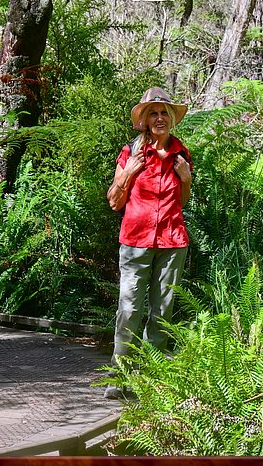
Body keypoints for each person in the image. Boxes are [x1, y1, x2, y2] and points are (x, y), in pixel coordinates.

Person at [104, 87, 192, 400]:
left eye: (164, 113)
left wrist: (187, 180)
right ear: (144, 119)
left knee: (162, 311)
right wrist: (127, 173)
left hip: (172, 241)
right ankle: (119, 376)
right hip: (135, 239)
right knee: (129, 307)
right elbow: (114, 202)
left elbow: (181, 202)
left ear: (171, 119)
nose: (159, 118)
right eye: (153, 113)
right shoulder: (130, 153)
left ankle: (149, 378)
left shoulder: (182, 156)